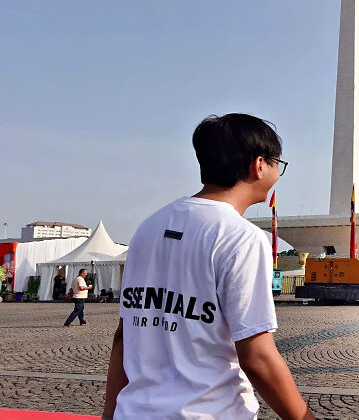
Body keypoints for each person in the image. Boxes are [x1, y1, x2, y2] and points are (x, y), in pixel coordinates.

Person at [103, 114, 313, 420]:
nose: (278, 173)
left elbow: (123, 336)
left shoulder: (147, 228)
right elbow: (257, 356)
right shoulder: (241, 237)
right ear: (259, 165)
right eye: (277, 164)